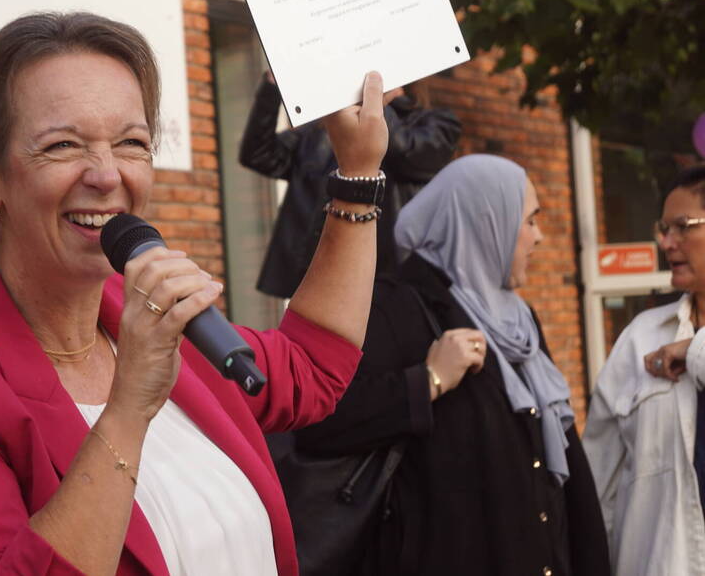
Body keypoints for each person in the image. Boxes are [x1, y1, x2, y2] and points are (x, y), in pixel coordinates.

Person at [0, 11, 388, 576]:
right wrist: (129, 407)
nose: (107, 175)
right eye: (63, 145)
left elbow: (311, 369)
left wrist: (356, 176)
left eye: (131, 142)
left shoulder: (154, 318)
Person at [291, 154, 610, 576]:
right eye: (529, 220)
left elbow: (560, 460)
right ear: (485, 222)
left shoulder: (518, 321)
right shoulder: (395, 307)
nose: (539, 237)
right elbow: (321, 424)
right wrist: (427, 381)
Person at [239, 71, 460, 296]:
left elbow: (408, 154)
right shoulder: (323, 131)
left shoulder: (436, 124)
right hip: (317, 276)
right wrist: (271, 88)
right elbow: (259, 155)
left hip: (385, 283)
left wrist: (376, 107)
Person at [584, 165, 705, 575]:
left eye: (683, 226)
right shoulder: (641, 337)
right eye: (664, 228)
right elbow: (598, 483)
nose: (667, 242)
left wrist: (693, 350)